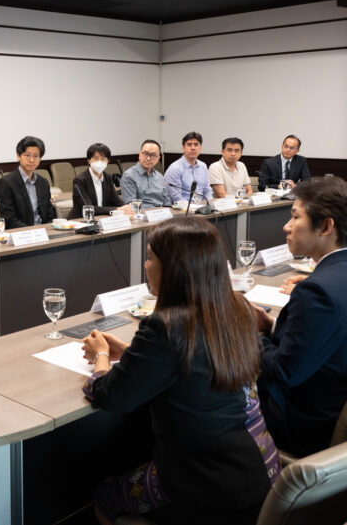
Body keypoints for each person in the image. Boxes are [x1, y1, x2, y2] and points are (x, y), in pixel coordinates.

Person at [81, 217, 278, 524]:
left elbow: (110, 395)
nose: (145, 266)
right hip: (260, 471)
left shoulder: (166, 326)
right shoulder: (237, 308)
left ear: (173, 269)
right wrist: (132, 354)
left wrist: (102, 356)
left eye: (149, 257)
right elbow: (196, 361)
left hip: (205, 485)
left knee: (105, 496)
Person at [255, 177, 347, 456]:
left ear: (327, 226)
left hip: (305, 421)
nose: (286, 226)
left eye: (294, 217)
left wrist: (253, 335)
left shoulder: (317, 290)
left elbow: (284, 372)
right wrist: (272, 327)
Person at [0, 135, 56, 228]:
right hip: (22, 234)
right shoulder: (6, 183)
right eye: (27, 155)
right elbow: (9, 219)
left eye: (36, 156)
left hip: (44, 232)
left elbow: (49, 213)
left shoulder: (43, 182)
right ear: (18, 156)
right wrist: (32, 231)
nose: (31, 160)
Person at [69, 142, 133, 219]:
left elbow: (116, 201)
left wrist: (126, 207)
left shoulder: (107, 177)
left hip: (102, 218)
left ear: (108, 161)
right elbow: (89, 208)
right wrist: (116, 209)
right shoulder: (79, 181)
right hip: (81, 220)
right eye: (96, 158)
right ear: (89, 161)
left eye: (103, 159)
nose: (99, 162)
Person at [163, 131, 213, 203]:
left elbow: (207, 191)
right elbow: (176, 197)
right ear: (183, 148)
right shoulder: (175, 168)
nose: (193, 148)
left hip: (202, 208)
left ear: (200, 148)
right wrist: (193, 208)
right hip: (183, 210)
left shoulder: (203, 166)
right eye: (189, 145)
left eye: (196, 145)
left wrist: (208, 204)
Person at [120, 140, 171, 208]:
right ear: (139, 155)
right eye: (145, 154)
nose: (148, 158)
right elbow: (132, 205)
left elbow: (166, 202)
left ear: (158, 159)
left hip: (161, 214)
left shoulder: (160, 177)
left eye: (153, 155)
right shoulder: (129, 176)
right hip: (142, 215)